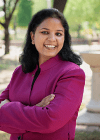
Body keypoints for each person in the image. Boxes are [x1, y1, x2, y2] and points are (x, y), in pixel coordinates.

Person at [0, 8, 85, 140]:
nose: (52, 39)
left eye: (58, 34)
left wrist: (8, 110)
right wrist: (36, 110)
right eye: (45, 32)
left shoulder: (72, 74)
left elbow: (49, 121)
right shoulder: (20, 71)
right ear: (33, 37)